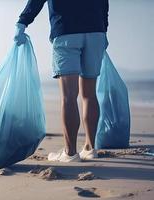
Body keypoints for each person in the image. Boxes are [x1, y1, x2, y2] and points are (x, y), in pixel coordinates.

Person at [14, 0, 109, 162]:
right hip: (95, 31)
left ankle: (70, 152)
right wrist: (103, 29)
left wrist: (22, 22)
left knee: (69, 97)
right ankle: (90, 147)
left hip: (66, 31)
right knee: (89, 94)